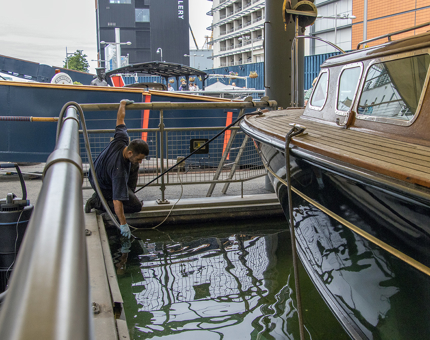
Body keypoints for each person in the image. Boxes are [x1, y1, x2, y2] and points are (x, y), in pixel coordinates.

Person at [85, 99, 149, 238]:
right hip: (102, 184)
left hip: (97, 171)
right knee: (135, 206)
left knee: (134, 166)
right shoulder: (118, 170)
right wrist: (123, 224)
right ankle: (96, 201)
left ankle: (128, 194)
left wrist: (122, 104)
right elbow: (117, 201)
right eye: (139, 158)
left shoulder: (122, 138)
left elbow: (120, 118)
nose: (141, 161)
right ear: (130, 153)